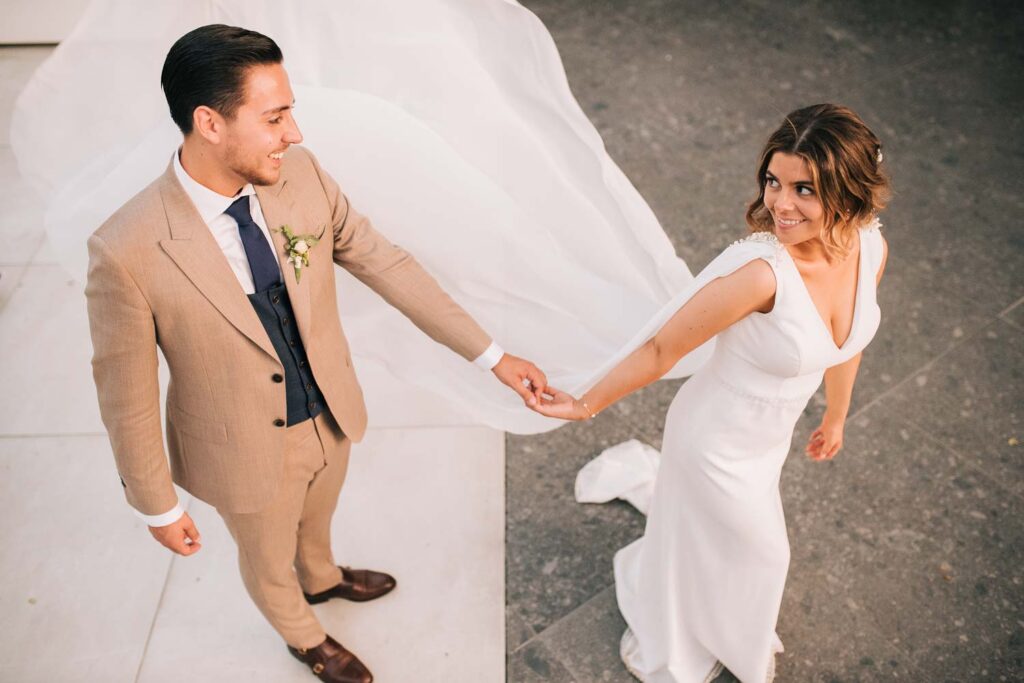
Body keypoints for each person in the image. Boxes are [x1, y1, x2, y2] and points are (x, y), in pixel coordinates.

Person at [85, 24, 545, 683]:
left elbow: (385, 262)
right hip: (239, 444)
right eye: (274, 117)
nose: (293, 133)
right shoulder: (125, 250)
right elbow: (124, 394)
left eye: (290, 112)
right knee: (268, 558)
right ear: (209, 122)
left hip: (331, 409)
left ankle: (323, 576)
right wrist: (157, 503)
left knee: (318, 515)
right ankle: (304, 636)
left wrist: (493, 356)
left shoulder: (299, 175)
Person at [532, 104, 891, 683]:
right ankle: (726, 644)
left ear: (849, 193)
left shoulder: (870, 250)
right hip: (714, 441)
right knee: (766, 553)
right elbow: (659, 350)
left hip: (767, 441)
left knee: (717, 540)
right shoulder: (760, 275)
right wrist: (584, 402)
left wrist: (839, 412)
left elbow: (848, 343)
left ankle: (711, 609)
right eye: (774, 181)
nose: (780, 203)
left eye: (805, 189)